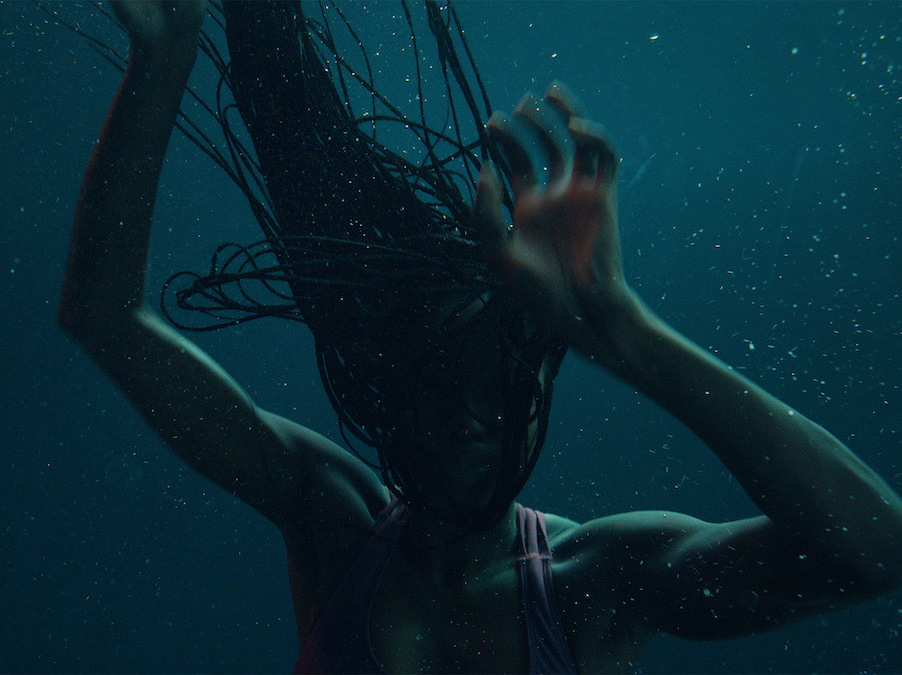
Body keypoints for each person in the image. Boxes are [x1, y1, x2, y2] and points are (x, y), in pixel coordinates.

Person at [56, 1, 902, 672]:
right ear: (397, 385)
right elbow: (105, 319)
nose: (468, 417)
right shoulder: (333, 517)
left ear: (540, 395)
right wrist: (165, 57)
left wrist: (627, 329)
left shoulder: (600, 581)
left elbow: (876, 553)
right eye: (441, 381)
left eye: (496, 387)